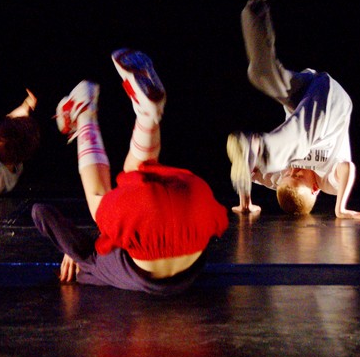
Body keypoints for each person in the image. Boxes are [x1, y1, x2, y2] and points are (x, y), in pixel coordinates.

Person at [32, 49, 229, 295]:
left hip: (193, 214)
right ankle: (90, 113)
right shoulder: (92, 263)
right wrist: (69, 248)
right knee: (105, 198)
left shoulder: (99, 264)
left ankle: (141, 117)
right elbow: (41, 212)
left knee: (134, 176)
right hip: (163, 224)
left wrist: (74, 249)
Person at [226, 0, 360, 221]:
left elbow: (247, 172)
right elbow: (348, 168)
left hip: (303, 95)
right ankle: (262, 146)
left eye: (288, 175)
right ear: (315, 188)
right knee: (301, 138)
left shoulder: (274, 177)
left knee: (261, 75)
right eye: (299, 176)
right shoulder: (327, 182)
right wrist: (340, 207)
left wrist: (246, 203)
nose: (293, 170)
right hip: (333, 105)